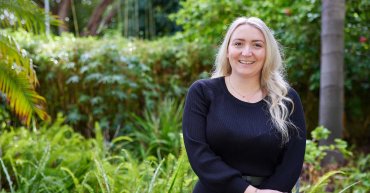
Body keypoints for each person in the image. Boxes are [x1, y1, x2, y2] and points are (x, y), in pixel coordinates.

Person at [182, 17, 306, 193]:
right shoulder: (202, 93)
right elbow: (198, 154)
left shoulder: (287, 99)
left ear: (267, 52)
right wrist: (250, 191)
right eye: (238, 44)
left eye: (257, 45)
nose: (246, 52)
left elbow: (293, 160)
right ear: (227, 50)